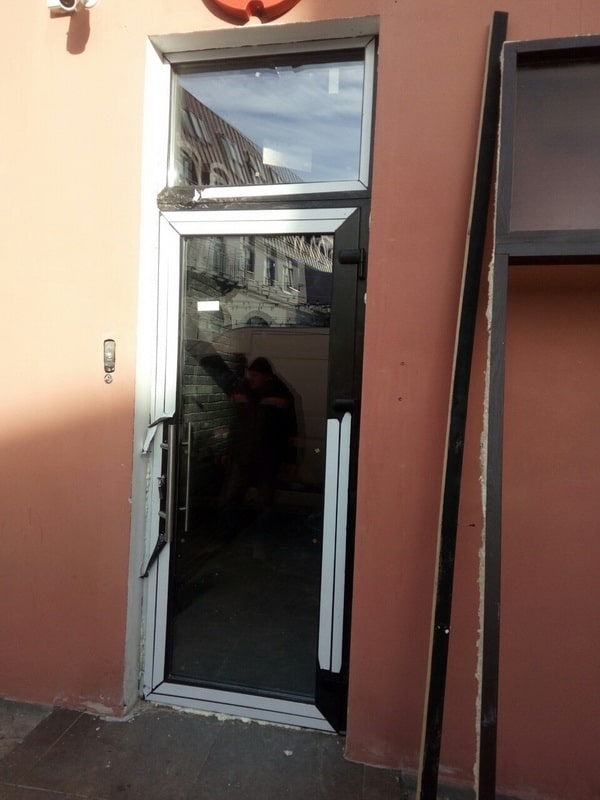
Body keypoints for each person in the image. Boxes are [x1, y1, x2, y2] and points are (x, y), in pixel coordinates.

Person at [219, 357, 297, 529]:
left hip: (267, 456)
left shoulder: (281, 396)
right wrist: (228, 450)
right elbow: (234, 424)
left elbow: (290, 430)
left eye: (255, 375)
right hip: (242, 454)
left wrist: (290, 459)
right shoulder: (242, 393)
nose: (250, 378)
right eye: (250, 374)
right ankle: (227, 531)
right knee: (232, 495)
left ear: (267, 377)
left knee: (264, 499)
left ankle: (260, 534)